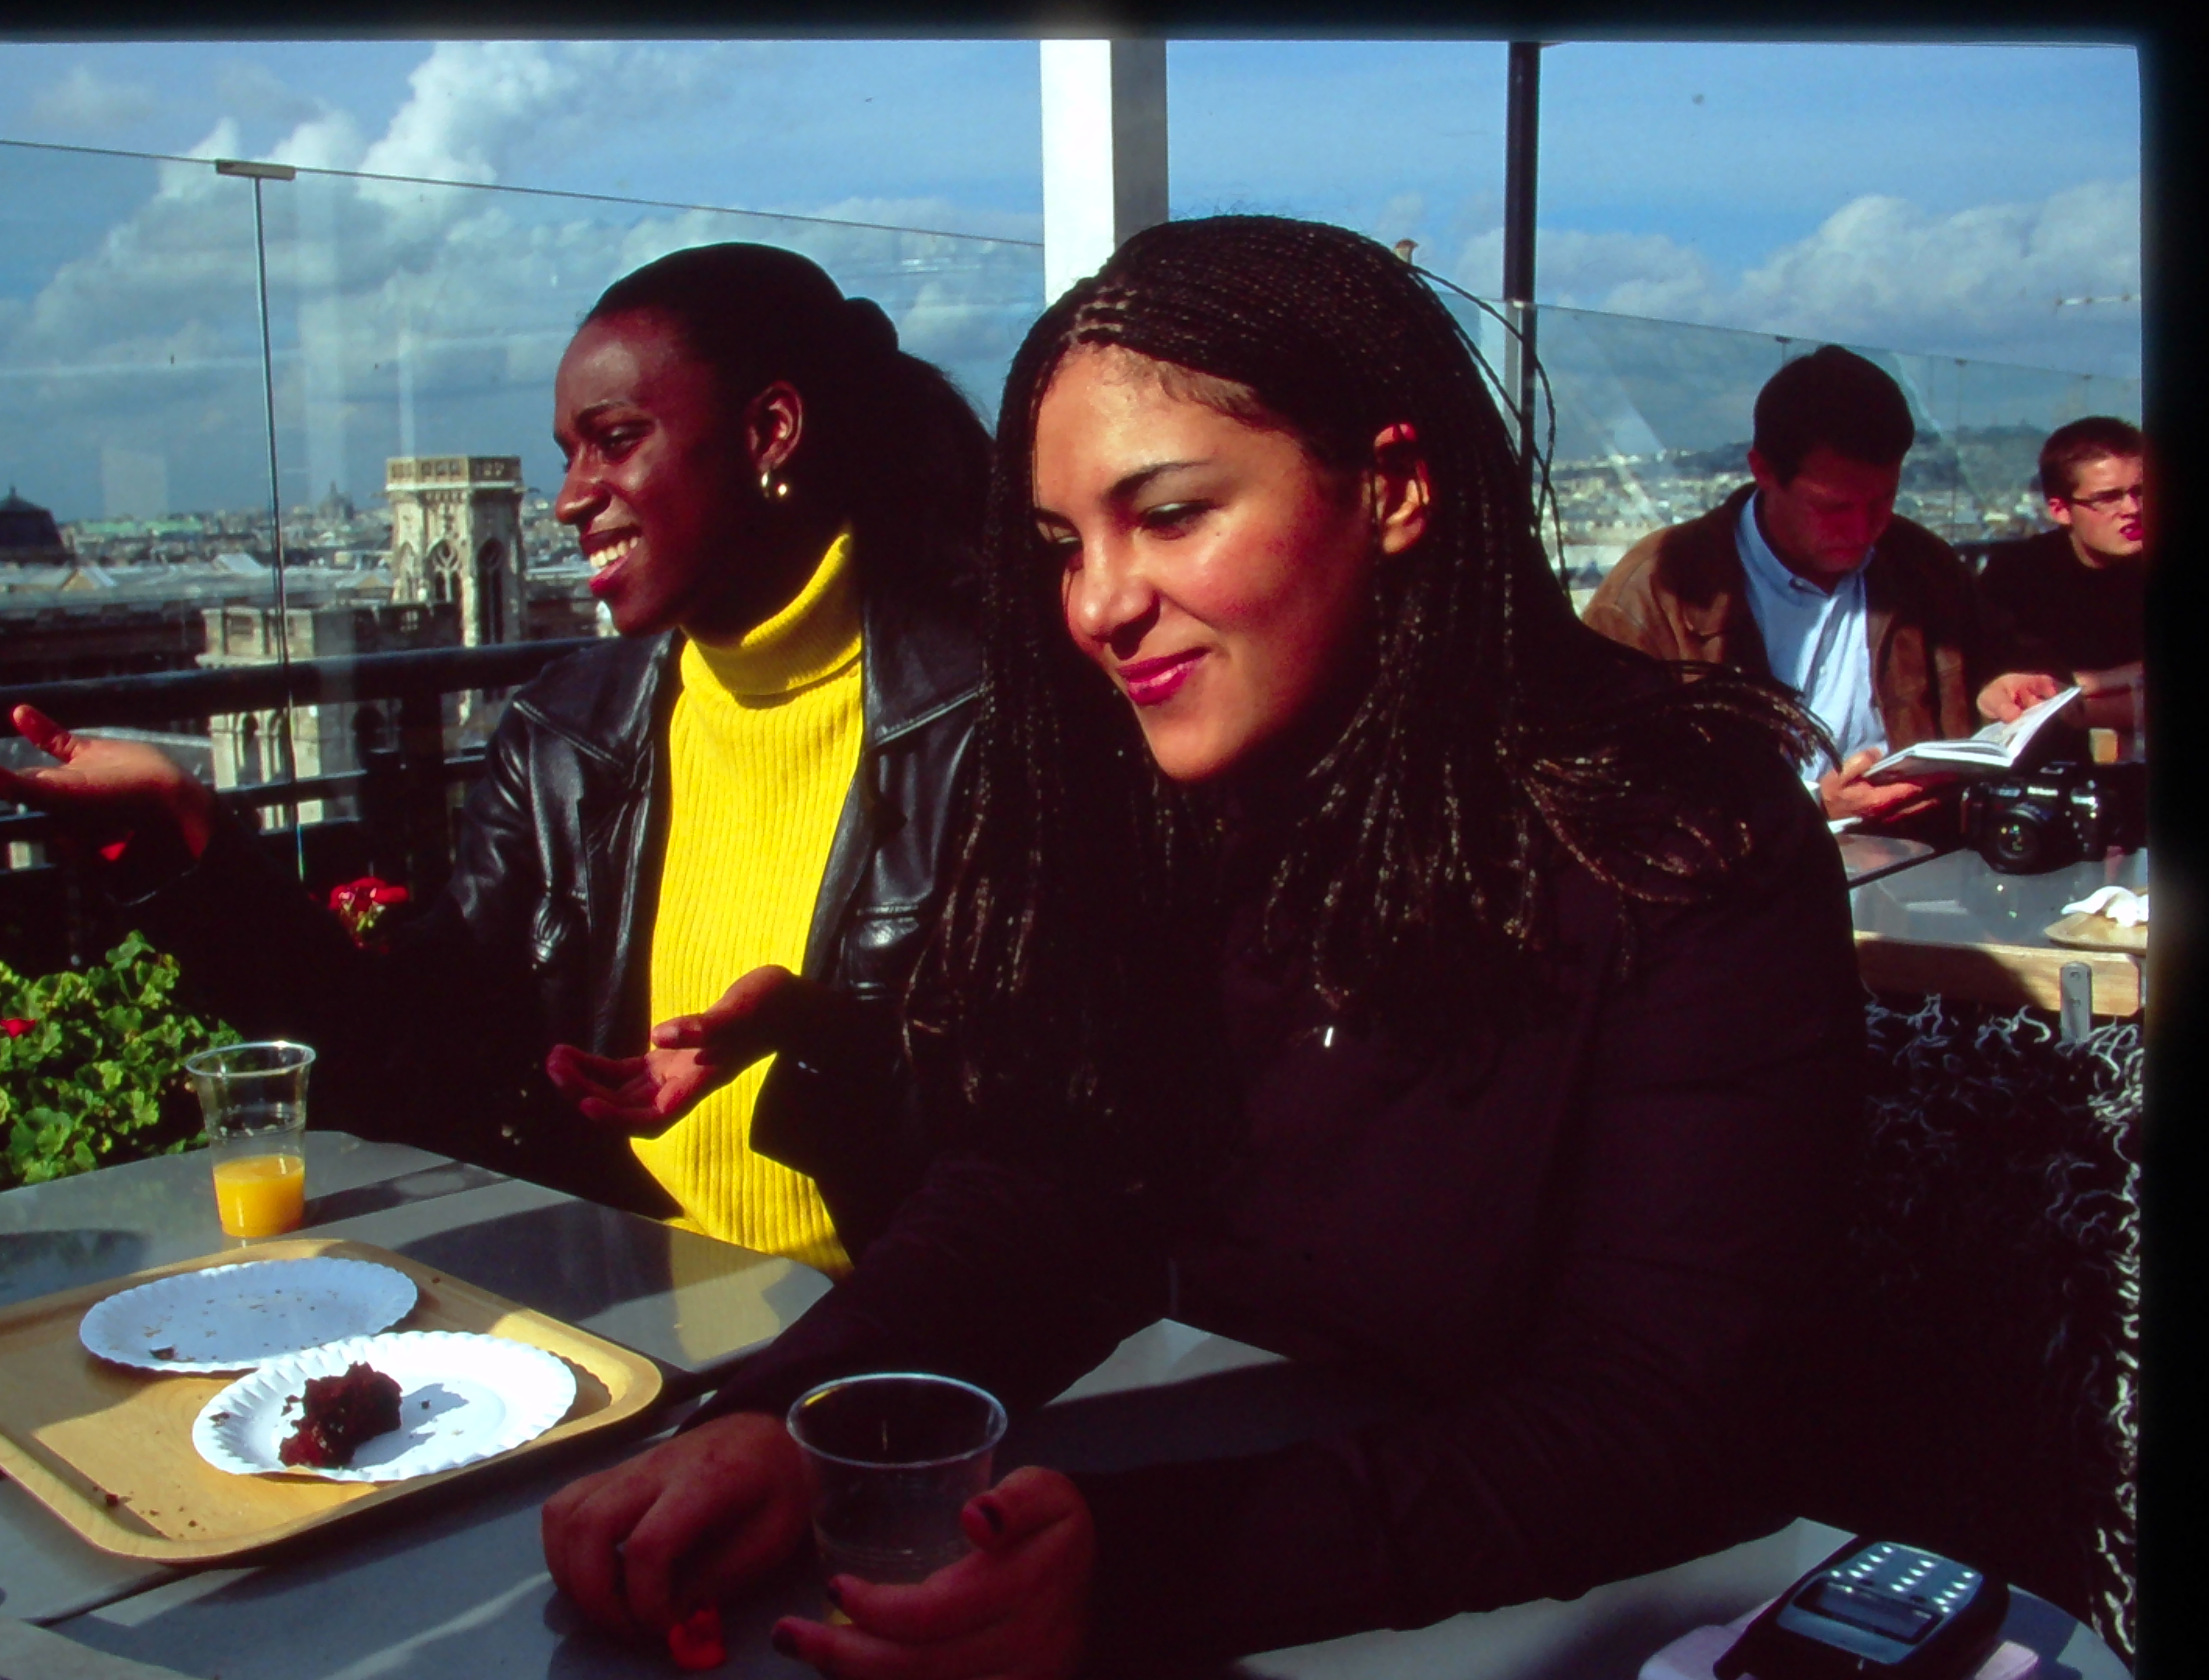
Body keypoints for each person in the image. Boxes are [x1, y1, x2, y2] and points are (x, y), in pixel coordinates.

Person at [540, 216, 1865, 1676]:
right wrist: (798, 1421)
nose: (1097, 605)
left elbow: (1664, 1409)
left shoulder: (1677, 833)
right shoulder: (1157, 802)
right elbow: (1051, 1186)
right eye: (1061, 547)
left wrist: (1138, 1569)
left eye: (1166, 515)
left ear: (1396, 488)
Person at [0, 243, 990, 1271]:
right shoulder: (566, 734)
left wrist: (815, 1038)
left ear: (768, 433)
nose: (571, 498)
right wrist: (195, 853)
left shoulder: (990, 723)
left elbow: (1052, 1142)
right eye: (569, 453)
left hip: (901, 1341)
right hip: (647, 1305)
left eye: (614, 442)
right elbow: (409, 1058)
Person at [1581, 345, 2053, 826]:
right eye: (1833, 509)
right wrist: (1811, 810)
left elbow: (1998, 668)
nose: (1863, 528)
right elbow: (1603, 792)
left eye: (1882, 500)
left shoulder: (1921, 564)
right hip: (1738, 882)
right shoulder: (1657, 592)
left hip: (1917, 860)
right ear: (1763, 471)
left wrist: (2001, 688)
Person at [1975, 416, 2146, 735]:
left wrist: (2076, 690)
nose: (2133, 509)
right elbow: (2017, 698)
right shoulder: (2018, 576)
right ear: (2061, 510)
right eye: (2108, 498)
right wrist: (2127, 678)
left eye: (2141, 491)